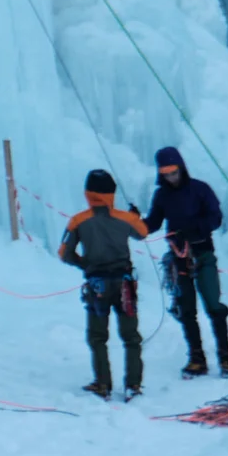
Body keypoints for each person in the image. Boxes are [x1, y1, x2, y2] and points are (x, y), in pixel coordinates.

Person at [58, 169, 153, 400]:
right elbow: (142, 233)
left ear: (88, 193)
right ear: (111, 193)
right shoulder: (125, 218)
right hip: (124, 285)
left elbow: (64, 253)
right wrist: (135, 216)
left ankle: (102, 384)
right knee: (131, 337)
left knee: (98, 337)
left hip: (97, 285)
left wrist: (85, 265)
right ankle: (133, 385)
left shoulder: (78, 221)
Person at [145, 146, 228, 379]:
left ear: (181, 168)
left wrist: (194, 228)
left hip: (203, 254)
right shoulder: (162, 195)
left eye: (173, 171)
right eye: (165, 173)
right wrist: (136, 222)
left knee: (214, 306)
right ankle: (197, 359)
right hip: (179, 258)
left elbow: (215, 217)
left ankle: (226, 358)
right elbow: (152, 223)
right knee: (186, 310)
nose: (171, 177)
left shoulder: (200, 189)